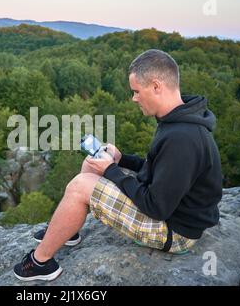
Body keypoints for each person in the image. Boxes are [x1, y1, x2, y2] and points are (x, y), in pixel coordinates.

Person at [13, 49, 223, 281]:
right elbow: (163, 170)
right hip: (171, 214)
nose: (133, 98)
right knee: (93, 162)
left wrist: (111, 171)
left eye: (136, 91)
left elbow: (156, 207)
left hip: (174, 231)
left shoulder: (182, 138)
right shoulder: (178, 119)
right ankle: (67, 230)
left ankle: (39, 263)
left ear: (156, 86)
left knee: (80, 186)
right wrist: (121, 160)